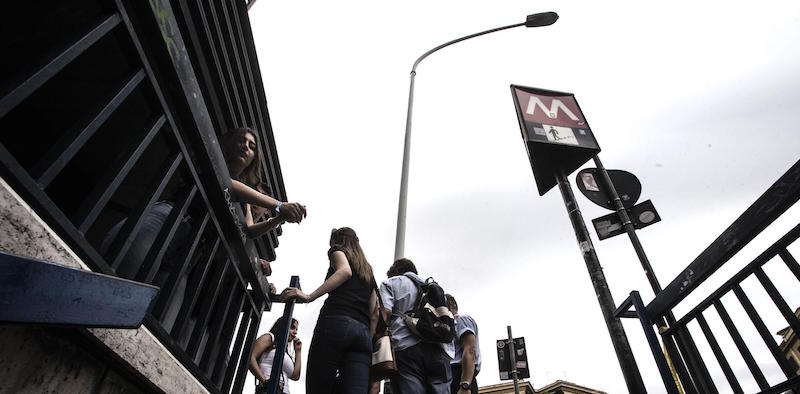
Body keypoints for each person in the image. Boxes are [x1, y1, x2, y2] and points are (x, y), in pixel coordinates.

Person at [280, 227, 378, 394]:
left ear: (336, 240)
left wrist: (309, 296)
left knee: (319, 386)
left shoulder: (337, 250)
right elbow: (374, 312)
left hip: (336, 322)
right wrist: (369, 338)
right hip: (363, 335)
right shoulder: (368, 271)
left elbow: (344, 271)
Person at [376, 258, 452, 394]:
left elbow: (384, 314)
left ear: (397, 272)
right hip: (437, 349)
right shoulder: (432, 287)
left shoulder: (390, 283)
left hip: (406, 349)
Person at [249, 317, 303, 393]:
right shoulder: (270, 338)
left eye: (296, 329)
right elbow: (250, 357)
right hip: (269, 390)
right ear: (283, 325)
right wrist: (265, 381)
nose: (295, 332)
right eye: (292, 328)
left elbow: (295, 376)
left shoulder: (285, 352)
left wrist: (298, 351)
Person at [445, 294, 481, 394]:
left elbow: (470, 350)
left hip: (460, 374)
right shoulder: (447, 327)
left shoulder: (461, 320)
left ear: (451, 304)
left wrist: (465, 385)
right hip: (450, 377)